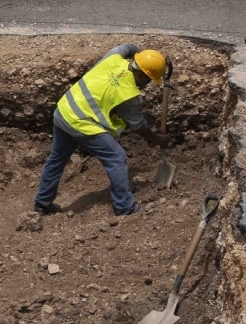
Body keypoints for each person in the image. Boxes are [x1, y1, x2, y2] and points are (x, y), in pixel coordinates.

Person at [33, 44, 171, 217]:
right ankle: (125, 208)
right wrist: (158, 139)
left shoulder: (113, 58)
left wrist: (148, 56)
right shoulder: (130, 96)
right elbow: (139, 126)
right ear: (142, 76)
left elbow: (127, 48)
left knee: (57, 158)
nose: (148, 84)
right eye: (149, 79)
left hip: (64, 111)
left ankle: (42, 203)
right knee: (116, 157)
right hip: (81, 123)